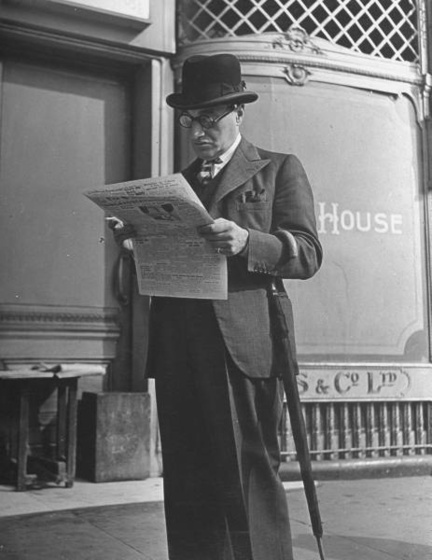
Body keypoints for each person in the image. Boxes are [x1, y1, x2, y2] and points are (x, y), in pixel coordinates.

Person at [114, 53, 322, 560]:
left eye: (212, 119)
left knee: (250, 476)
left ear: (238, 113)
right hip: (181, 348)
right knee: (188, 482)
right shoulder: (174, 186)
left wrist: (248, 241)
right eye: (191, 120)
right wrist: (138, 247)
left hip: (243, 349)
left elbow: (308, 252)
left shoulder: (276, 169)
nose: (200, 131)